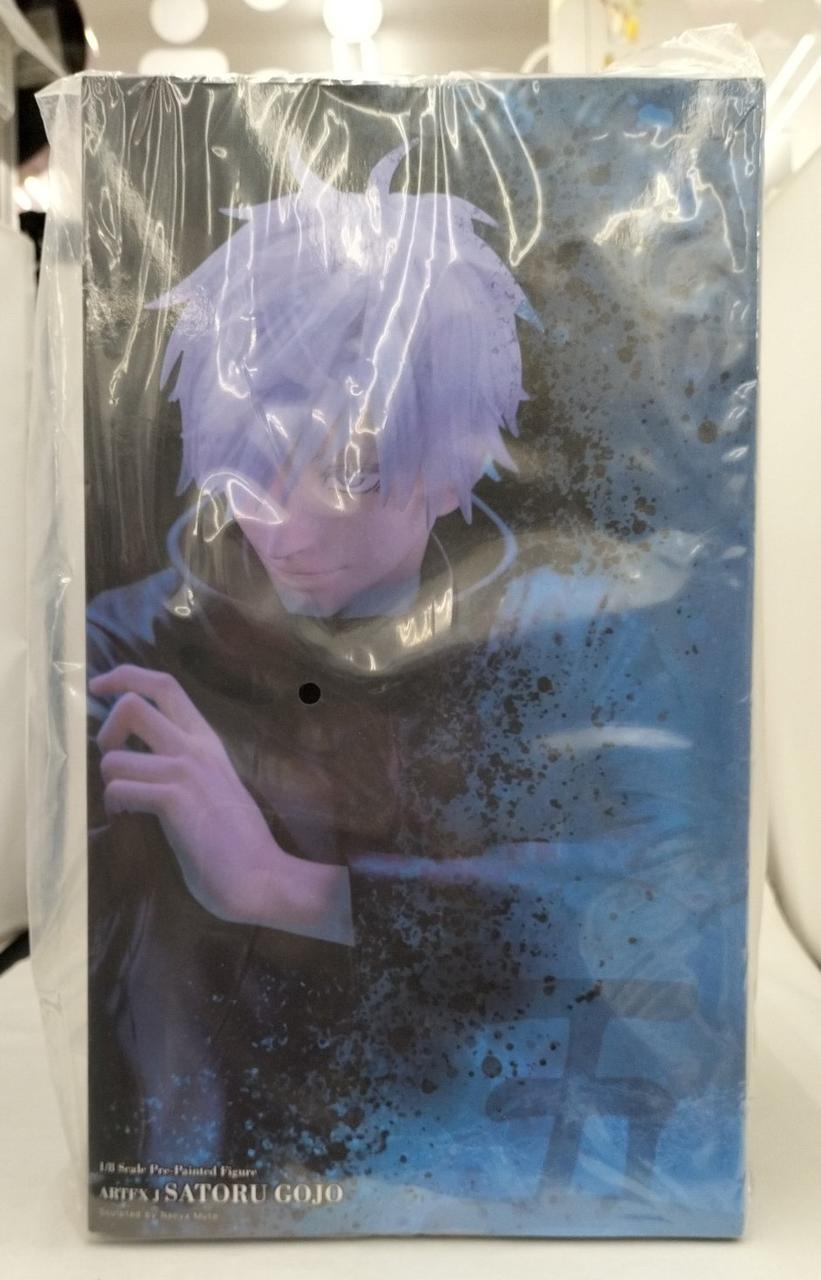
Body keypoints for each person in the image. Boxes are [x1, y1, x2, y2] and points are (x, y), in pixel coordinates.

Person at [86, 144, 735, 1222]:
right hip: (228, 1190)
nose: (282, 524)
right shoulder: (133, 646)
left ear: (455, 460)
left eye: (347, 471)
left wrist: (281, 885)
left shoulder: (579, 642)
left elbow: (650, 919)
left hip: (539, 1176)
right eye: (247, 462)